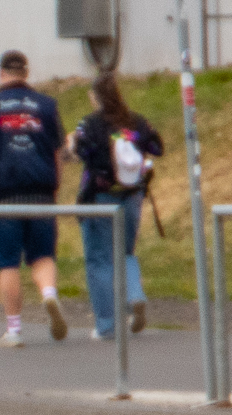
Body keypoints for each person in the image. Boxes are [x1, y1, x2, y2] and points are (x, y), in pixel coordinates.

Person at [0, 51, 68, 346]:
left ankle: (15, 330)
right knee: (42, 256)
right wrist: (55, 188)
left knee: (8, 262)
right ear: (26, 73)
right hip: (41, 195)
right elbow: (58, 153)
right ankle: (49, 295)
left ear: (1, 73)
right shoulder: (46, 107)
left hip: (2, 197)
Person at [68, 72, 163, 338]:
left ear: (94, 96)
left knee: (98, 259)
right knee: (126, 252)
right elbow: (156, 147)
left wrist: (73, 144)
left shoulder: (91, 123)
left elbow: (81, 152)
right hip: (131, 195)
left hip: (99, 196)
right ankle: (135, 295)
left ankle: (107, 325)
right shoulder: (136, 121)